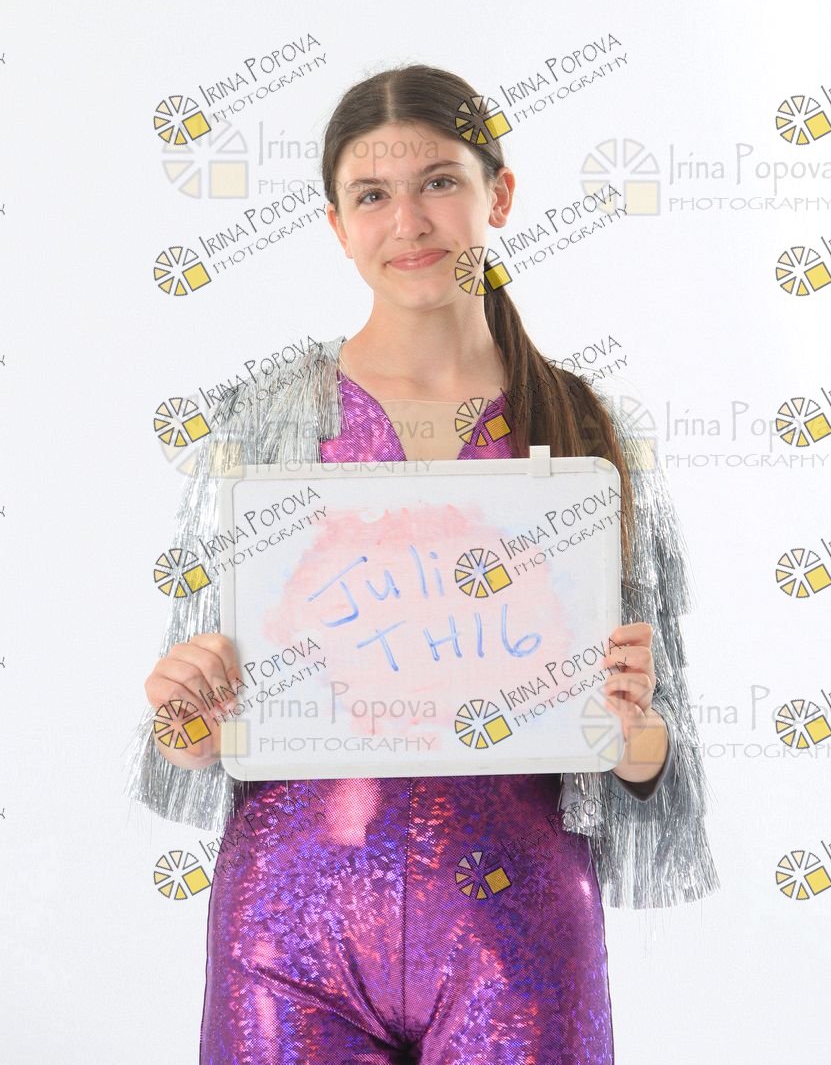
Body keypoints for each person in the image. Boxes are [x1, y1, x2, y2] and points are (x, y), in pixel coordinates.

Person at [126, 62, 719, 1063]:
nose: (408, 221)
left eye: (440, 181)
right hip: (286, 927)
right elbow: (197, 735)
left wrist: (635, 736)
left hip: (518, 924)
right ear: (336, 225)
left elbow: (660, 760)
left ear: (500, 194)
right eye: (372, 194)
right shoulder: (264, 421)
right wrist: (187, 715)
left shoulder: (588, 431)